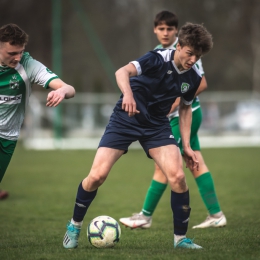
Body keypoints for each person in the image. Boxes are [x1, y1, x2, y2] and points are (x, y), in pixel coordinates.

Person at [63, 22, 213, 250]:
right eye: (189, 53)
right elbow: (121, 72)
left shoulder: (192, 77)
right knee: (97, 176)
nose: (192, 60)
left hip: (156, 125)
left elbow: (185, 108)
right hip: (126, 117)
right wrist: (128, 95)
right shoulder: (156, 58)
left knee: (178, 177)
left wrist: (187, 145)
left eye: (197, 56)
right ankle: (74, 225)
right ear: (179, 46)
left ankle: (180, 239)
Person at [119, 11, 226, 230]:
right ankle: (216, 214)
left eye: (169, 29)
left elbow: (201, 84)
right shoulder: (159, 53)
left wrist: (177, 101)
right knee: (195, 163)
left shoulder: (189, 51)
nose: (165, 33)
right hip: (178, 116)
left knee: (164, 166)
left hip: (186, 115)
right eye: (161, 28)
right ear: (155, 30)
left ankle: (145, 216)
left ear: (176, 32)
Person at [0, 24, 75, 187]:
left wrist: (62, 91)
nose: (18, 57)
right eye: (12, 53)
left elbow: (69, 89)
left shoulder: (27, 65)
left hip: (7, 137)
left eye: (20, 52)